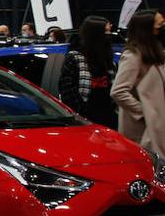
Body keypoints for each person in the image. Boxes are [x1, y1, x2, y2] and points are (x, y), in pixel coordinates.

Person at [112, 9, 165, 153]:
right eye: (159, 25)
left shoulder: (155, 53)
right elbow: (118, 91)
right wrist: (144, 112)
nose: (162, 28)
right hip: (142, 132)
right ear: (147, 28)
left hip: (157, 127)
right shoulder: (133, 55)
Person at [59, 15, 116, 127]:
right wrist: (83, 115)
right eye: (106, 32)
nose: (109, 36)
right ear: (96, 34)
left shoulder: (109, 60)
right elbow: (68, 93)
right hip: (84, 121)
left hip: (108, 121)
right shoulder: (75, 58)